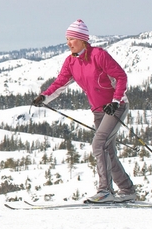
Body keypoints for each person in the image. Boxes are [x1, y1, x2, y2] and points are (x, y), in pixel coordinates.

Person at [32, 19, 136, 203]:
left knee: (98, 144)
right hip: (98, 111)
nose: (68, 43)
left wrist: (115, 101)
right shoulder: (71, 61)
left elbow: (121, 77)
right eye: (67, 39)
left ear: (82, 40)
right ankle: (127, 190)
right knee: (107, 149)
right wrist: (44, 97)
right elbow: (60, 82)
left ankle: (105, 191)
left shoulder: (98, 55)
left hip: (115, 107)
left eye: (72, 39)